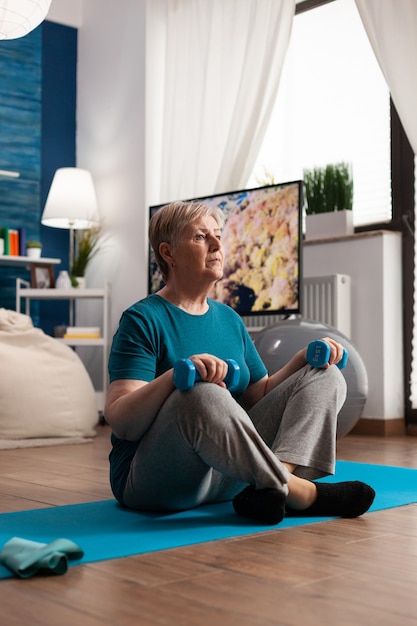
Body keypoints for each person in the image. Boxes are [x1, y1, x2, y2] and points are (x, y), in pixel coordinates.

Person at [105, 200, 375, 525]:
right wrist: (175, 378)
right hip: (155, 482)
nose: (217, 245)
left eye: (218, 235)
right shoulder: (142, 319)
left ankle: (271, 488)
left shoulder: (229, 319)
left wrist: (300, 362)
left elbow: (256, 395)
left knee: (326, 376)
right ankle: (298, 491)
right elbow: (121, 421)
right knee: (201, 393)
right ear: (168, 253)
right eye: (201, 237)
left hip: (228, 475)